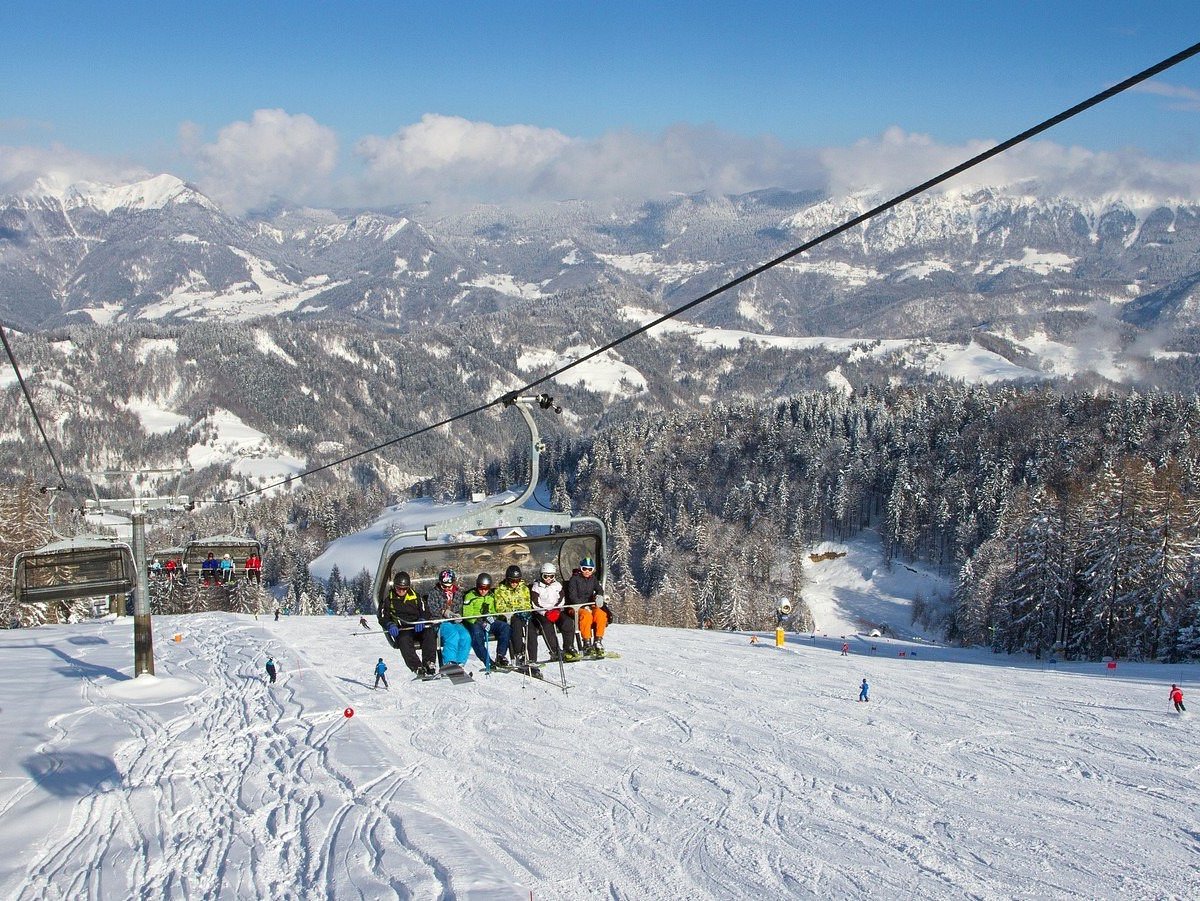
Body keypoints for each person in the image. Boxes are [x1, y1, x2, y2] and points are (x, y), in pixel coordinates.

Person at [378, 571, 438, 677]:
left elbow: (426, 611)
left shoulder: (416, 597)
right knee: (404, 639)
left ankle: (429, 663)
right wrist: (390, 624)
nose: (401, 591)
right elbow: (382, 617)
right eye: (398, 588)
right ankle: (416, 667)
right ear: (394, 587)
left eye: (404, 589)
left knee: (429, 632)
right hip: (403, 628)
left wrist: (422, 619)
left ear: (408, 587)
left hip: (417, 626)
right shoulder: (389, 600)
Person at [462, 572, 511, 669]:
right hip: (475, 622)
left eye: (486, 588)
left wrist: (492, 617)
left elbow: (494, 610)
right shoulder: (470, 596)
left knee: (505, 627)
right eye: (481, 588)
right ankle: (486, 660)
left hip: (488, 621)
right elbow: (467, 614)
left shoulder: (491, 596)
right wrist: (479, 621)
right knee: (476, 635)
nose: (483, 591)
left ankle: (500, 655)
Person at [428, 569, 471, 668]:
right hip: (440, 622)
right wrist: (443, 612)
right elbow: (431, 608)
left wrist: (458, 616)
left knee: (465, 636)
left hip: (454, 622)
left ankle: (460, 662)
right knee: (453, 635)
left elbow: (459, 607)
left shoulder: (458, 593)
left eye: (449, 586)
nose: (447, 588)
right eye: (444, 586)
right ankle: (449, 661)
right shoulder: (434, 593)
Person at [569, 556, 610, 658]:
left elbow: (599, 589)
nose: (587, 571)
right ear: (581, 569)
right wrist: (584, 606)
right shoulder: (574, 579)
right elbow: (572, 596)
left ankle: (598, 641)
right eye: (584, 569)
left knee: (601, 614)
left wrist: (598, 596)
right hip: (575, 607)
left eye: (590, 569)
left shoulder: (593, 579)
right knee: (586, 616)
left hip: (589, 605)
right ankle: (587, 643)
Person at [493, 564, 532, 667]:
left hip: (522, 616)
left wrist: (526, 612)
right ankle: (518, 653)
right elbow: (500, 607)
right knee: (516, 624)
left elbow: (527, 603)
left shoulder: (524, 589)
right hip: (509, 617)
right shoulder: (500, 590)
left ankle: (532, 659)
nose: (515, 583)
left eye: (517, 581)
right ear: (507, 579)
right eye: (512, 581)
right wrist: (515, 611)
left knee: (531, 630)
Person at [529, 562, 567, 663]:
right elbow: (535, 604)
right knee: (546, 625)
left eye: (551, 576)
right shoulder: (536, 587)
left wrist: (557, 609)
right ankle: (554, 651)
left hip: (555, 611)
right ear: (541, 576)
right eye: (546, 576)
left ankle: (568, 648)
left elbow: (562, 598)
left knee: (567, 622)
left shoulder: (557, 585)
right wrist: (545, 612)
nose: (549, 579)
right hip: (542, 613)